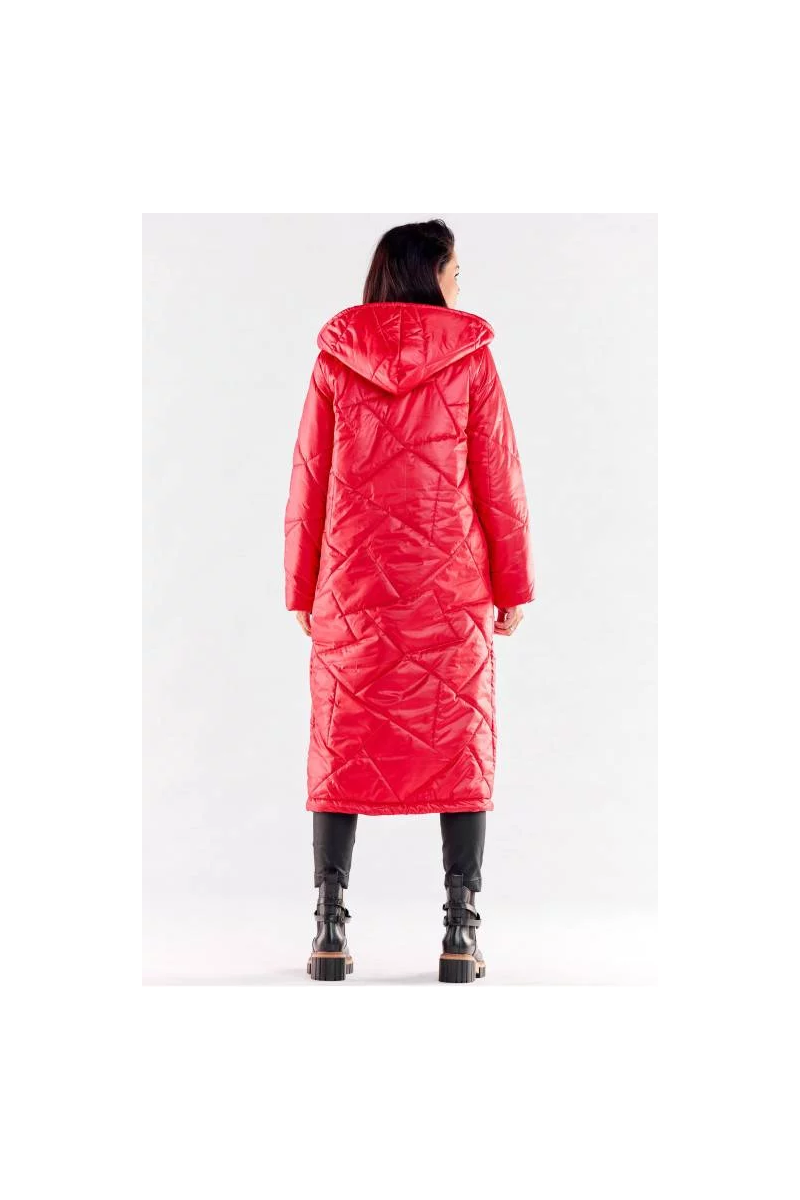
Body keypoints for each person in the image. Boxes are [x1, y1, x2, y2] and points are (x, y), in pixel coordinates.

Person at [283, 219, 535, 983]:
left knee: (342, 743)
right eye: (455, 271)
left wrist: (301, 585)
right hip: (449, 587)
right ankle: (460, 931)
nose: (460, 285)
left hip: (353, 589)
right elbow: (498, 479)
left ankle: (330, 927)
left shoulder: (335, 358)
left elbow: (309, 479)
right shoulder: (471, 359)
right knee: (460, 743)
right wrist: (512, 583)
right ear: (431, 274)